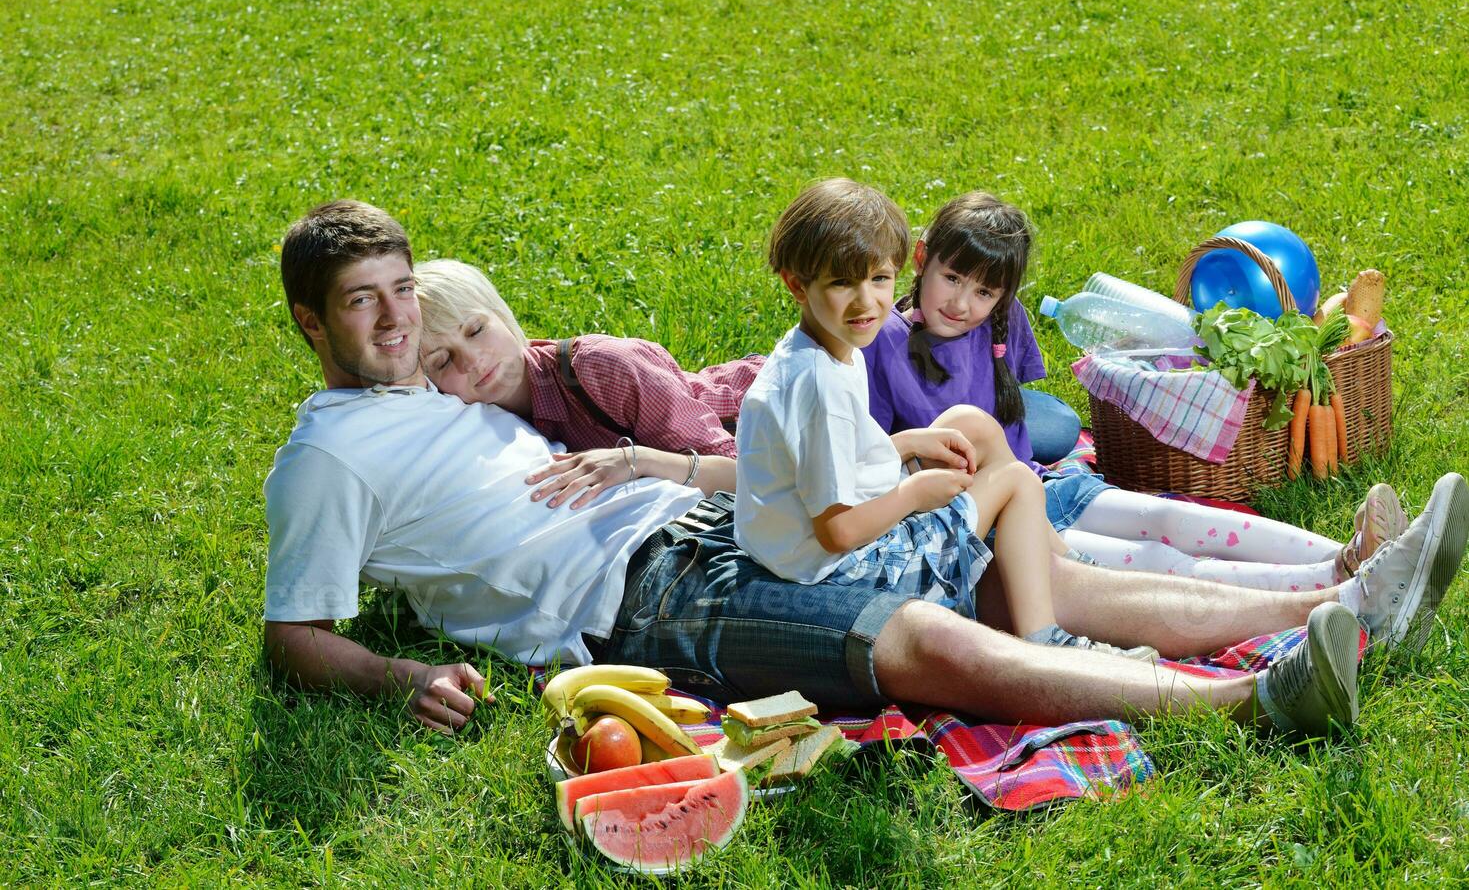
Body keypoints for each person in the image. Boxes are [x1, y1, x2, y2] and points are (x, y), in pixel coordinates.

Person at [262, 198, 1468, 740]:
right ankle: (1256, 700)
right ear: (312, 326)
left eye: (402, 294)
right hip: (638, 600)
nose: (393, 321)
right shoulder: (322, 456)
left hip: (696, 523)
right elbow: (293, 631)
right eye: (360, 305)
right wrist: (394, 675)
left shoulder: (432, 376)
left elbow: (516, 360)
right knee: (918, 639)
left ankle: (1334, 605)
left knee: (1010, 551)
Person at [862, 190, 1408, 591]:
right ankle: (1333, 583)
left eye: (984, 291)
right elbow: (880, 459)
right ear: (921, 258)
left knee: (1171, 518)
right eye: (952, 278)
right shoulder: (883, 342)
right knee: (1155, 559)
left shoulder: (1003, 320)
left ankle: (1357, 552)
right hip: (996, 525)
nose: (962, 303)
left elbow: (1024, 414)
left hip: (1041, 487)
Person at [733, 178, 1150, 656]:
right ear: (797, 285)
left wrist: (906, 444)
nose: (867, 301)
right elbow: (838, 533)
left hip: (805, 547)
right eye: (842, 282)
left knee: (968, 425)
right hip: (853, 571)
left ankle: (1069, 559)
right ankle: (1047, 641)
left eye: (879, 279)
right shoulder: (818, 387)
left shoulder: (823, 348)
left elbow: (829, 458)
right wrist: (913, 493)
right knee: (1017, 481)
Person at [412, 258, 761, 508]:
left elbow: (744, 480)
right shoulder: (473, 428)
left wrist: (636, 461)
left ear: (503, 316)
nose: (471, 360)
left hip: (778, 415)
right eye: (442, 361)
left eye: (476, 330)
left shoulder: (600, 367)